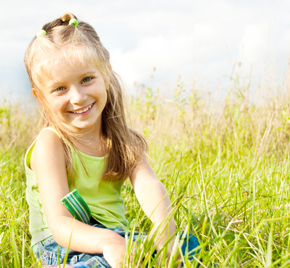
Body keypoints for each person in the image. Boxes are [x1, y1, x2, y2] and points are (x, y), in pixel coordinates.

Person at [24, 13, 200, 268]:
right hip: (63, 246)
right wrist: (108, 242)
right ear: (40, 97)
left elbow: (149, 186)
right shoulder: (51, 144)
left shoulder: (120, 139)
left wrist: (165, 230)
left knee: (188, 245)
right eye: (60, 88)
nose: (77, 97)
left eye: (86, 79)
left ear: (105, 73)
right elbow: (61, 224)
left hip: (116, 237)